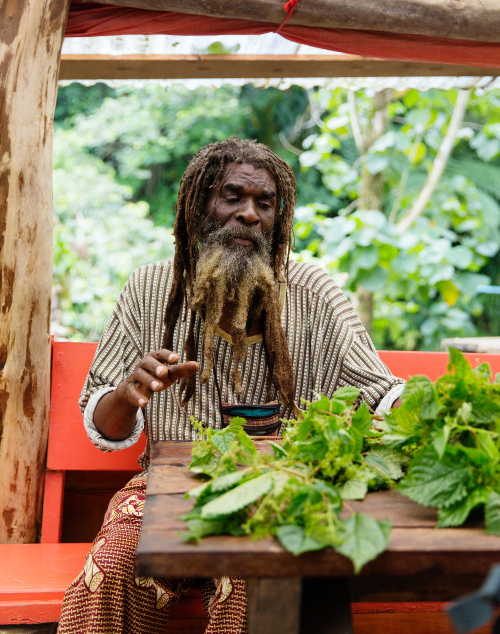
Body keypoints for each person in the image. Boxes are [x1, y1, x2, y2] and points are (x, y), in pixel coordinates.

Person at [57, 137, 404, 634]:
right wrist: (128, 395)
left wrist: (433, 406)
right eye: (233, 196)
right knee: (110, 572)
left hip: (277, 493)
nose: (249, 214)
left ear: (278, 218)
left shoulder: (316, 294)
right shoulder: (151, 290)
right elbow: (104, 423)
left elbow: (382, 391)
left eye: (265, 203)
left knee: (254, 578)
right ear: (201, 205)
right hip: (163, 493)